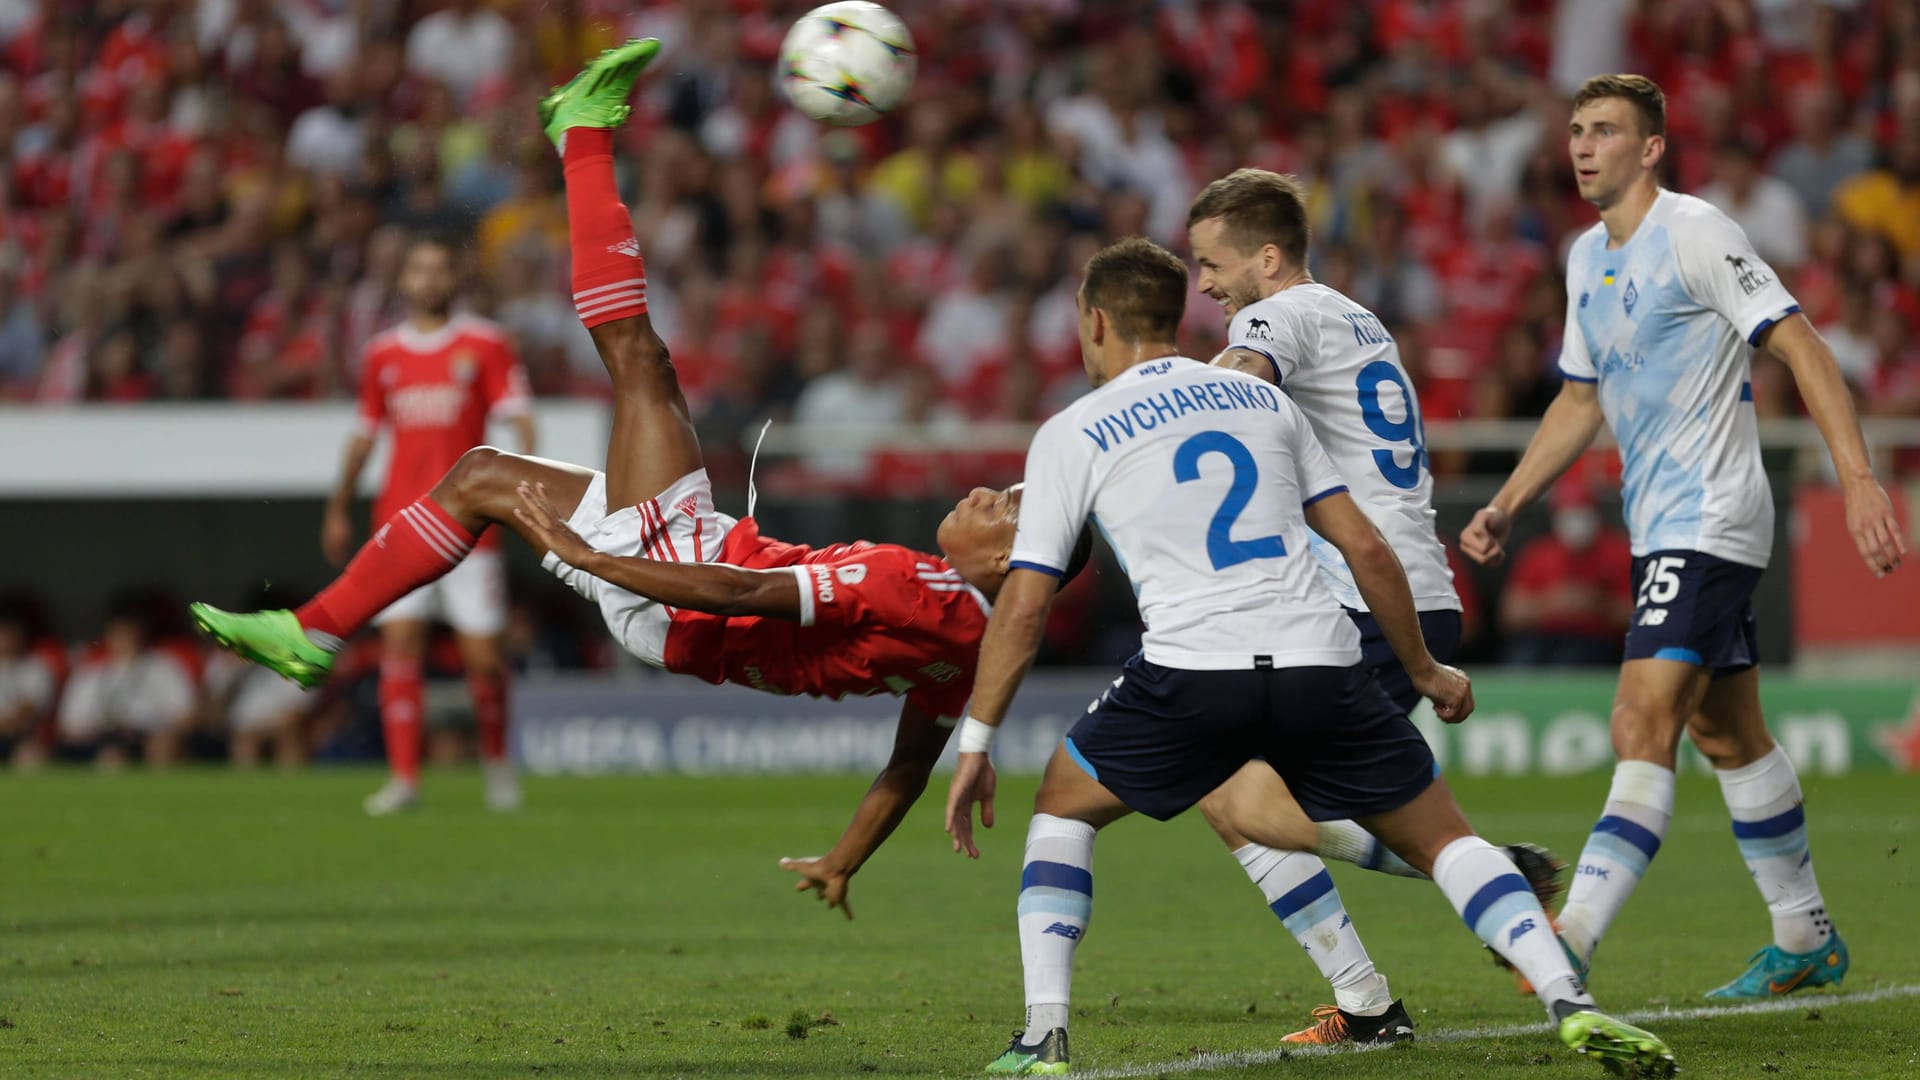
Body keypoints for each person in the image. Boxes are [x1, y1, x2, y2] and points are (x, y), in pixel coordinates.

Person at [191, 39, 1089, 918]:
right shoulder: (969, 647)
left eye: (1006, 509)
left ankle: (581, 133)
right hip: (681, 609)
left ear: (1017, 561)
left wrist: (585, 553)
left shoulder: (913, 588)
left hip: (684, 588)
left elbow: (734, 589)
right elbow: (907, 763)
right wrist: (843, 860)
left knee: (638, 357)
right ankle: (311, 631)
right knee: (481, 475)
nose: (984, 495)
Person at [944, 236, 1672, 1077]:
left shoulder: (1073, 429)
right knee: (1446, 840)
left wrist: (976, 743)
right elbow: (1365, 547)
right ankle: (1568, 1002)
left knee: (1065, 807)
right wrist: (1427, 670)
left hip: (1192, 666)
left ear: (1096, 321)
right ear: (1180, 318)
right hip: (1320, 654)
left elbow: (1026, 606)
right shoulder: (1266, 406)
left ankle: (1043, 1037)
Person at [1459, 74, 1906, 1001]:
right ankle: (1804, 934)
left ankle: (1570, 937)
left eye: (1607, 131)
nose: (1583, 147)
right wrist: (1507, 500)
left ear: (1652, 146)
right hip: (1659, 521)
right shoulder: (1585, 257)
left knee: (1640, 719)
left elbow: (1801, 343)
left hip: (1712, 511)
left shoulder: (1697, 232)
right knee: (1725, 730)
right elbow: (1580, 400)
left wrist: (1858, 477)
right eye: (1577, 131)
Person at [1186, 167, 1562, 1045]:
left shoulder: (1272, 316)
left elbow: (1240, 380)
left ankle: (1470, 898)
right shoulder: (1359, 318)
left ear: (1267, 257)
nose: (1204, 282)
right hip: (1400, 595)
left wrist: (1154, 407)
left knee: (1235, 794)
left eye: (1212, 263)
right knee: (1236, 790)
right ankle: (1380, 989)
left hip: (1357, 603)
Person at [325, 233, 537, 816]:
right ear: (405, 281)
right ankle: (404, 780)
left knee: (483, 658)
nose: (429, 279)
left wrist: (527, 489)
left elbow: (519, 417)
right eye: (418, 269)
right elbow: (365, 434)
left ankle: (497, 767)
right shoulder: (381, 354)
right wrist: (338, 505)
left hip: (471, 527)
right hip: (399, 523)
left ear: (453, 280)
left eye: (439, 268)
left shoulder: (486, 343)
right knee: (401, 645)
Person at [1498, 481, 1633, 667]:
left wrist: (1598, 604)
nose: (1575, 520)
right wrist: (1551, 602)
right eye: (1568, 514)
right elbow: (1511, 616)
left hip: (1598, 641)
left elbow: (1640, 614)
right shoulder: (1538, 553)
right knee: (1519, 666)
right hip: (1541, 639)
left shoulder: (1620, 551)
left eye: (1581, 512)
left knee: (1570, 662)